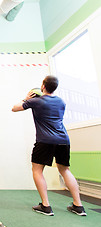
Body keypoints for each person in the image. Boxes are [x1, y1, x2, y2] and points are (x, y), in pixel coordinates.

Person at [12, 75, 86, 216]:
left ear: (43, 86)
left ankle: (45, 206)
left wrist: (26, 98)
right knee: (65, 170)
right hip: (63, 140)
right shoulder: (61, 102)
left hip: (45, 140)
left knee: (37, 170)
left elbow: (14, 108)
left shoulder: (35, 101)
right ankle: (78, 205)